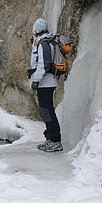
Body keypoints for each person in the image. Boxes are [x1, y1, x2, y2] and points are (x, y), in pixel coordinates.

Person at [28, 18, 63, 152]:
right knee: (45, 111)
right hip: (46, 82)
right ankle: (49, 138)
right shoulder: (45, 41)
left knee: (48, 112)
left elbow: (43, 65)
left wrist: (36, 80)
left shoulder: (43, 43)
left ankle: (56, 141)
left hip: (45, 83)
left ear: (36, 30)